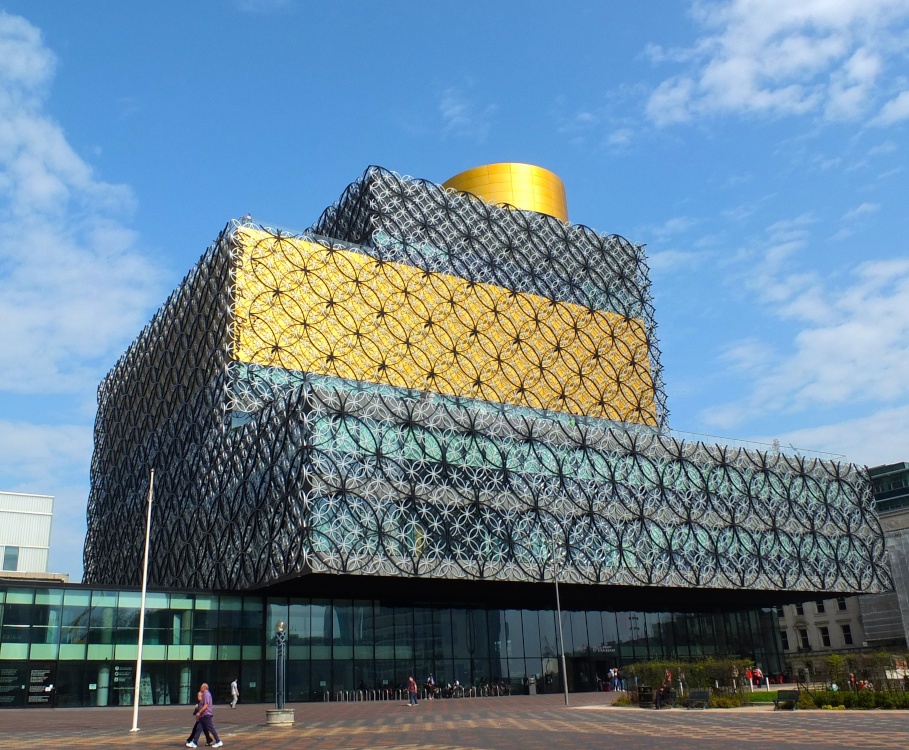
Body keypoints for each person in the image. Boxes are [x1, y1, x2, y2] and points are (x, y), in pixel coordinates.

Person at [186, 682, 223, 748]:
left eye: (201, 687)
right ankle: (194, 742)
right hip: (203, 716)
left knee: (211, 728)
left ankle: (218, 741)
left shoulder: (206, 694)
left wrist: (199, 712)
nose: (200, 688)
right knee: (198, 729)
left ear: (204, 688)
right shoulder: (205, 694)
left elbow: (206, 705)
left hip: (206, 715)